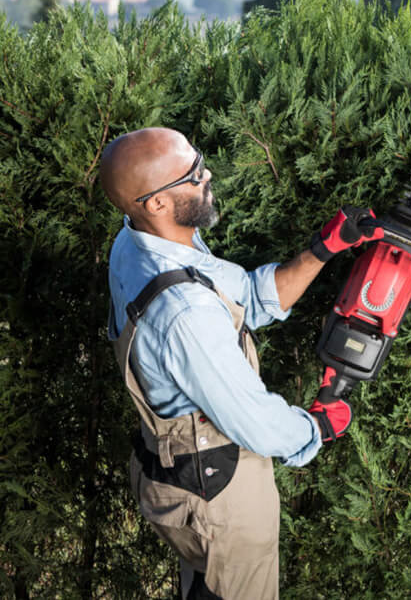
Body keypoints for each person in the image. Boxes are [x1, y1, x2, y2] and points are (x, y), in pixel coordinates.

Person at [99, 127, 381, 599]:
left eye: (199, 161)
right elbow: (255, 423)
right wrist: (314, 430)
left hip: (174, 473)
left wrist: (324, 249)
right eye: (192, 173)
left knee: (206, 586)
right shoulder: (186, 315)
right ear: (156, 203)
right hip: (218, 492)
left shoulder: (137, 241)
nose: (206, 174)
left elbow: (246, 296)